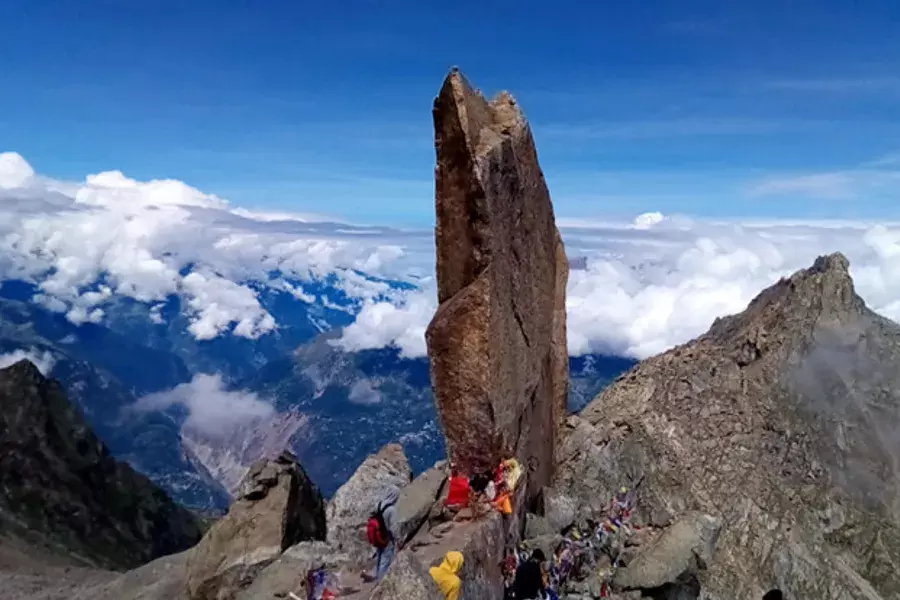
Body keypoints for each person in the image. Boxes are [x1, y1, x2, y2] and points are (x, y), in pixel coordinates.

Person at [366, 487, 400, 581]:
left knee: (379, 557)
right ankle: (380, 582)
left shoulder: (379, 505)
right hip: (387, 537)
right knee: (385, 560)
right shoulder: (391, 510)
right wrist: (398, 538)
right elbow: (393, 527)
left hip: (378, 535)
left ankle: (376, 576)